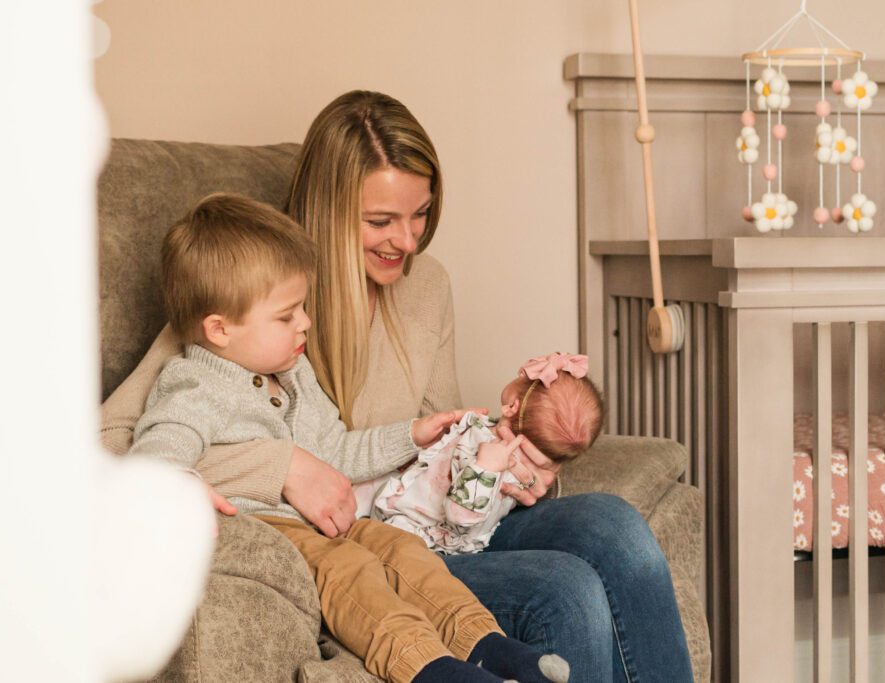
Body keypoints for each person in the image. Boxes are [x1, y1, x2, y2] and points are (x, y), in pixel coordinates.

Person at [101, 90, 694, 682]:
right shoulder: (251, 297)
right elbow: (112, 448)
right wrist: (280, 467)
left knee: (616, 528)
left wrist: (519, 458)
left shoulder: (427, 285)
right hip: (367, 540)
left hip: (439, 516)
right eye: (381, 221)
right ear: (328, 212)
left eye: (420, 214)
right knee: (566, 592)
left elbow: (444, 447)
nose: (408, 241)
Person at [128, 192, 569, 683]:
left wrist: (412, 436)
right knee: (353, 570)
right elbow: (157, 450)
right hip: (267, 533)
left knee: (403, 553)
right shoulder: (196, 384)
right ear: (219, 329)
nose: (306, 323)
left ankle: (482, 644)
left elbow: (336, 452)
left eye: (303, 308)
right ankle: (427, 667)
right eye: (287, 315)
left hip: (326, 525)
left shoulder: (293, 374)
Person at [354, 352, 604, 555]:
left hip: (422, 533)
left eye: (522, 375)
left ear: (512, 406)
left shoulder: (496, 460)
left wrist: (485, 469)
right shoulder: (493, 438)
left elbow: (461, 516)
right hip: (410, 495)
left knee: (384, 538)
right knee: (369, 485)